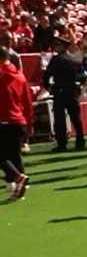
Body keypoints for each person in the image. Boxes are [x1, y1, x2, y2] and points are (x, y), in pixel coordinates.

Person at [0, 44, 34, 199]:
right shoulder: (20, 75)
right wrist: (28, 123)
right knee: (14, 155)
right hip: (19, 119)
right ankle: (21, 188)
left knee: (4, 156)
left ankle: (16, 177)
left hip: (4, 120)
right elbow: (27, 102)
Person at [44, 33, 87, 152]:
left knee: (60, 118)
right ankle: (80, 140)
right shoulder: (74, 58)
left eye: (57, 45)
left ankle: (62, 143)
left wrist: (48, 86)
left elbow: (47, 74)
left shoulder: (57, 59)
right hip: (72, 90)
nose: (55, 47)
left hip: (60, 90)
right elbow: (82, 76)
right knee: (75, 118)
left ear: (63, 47)